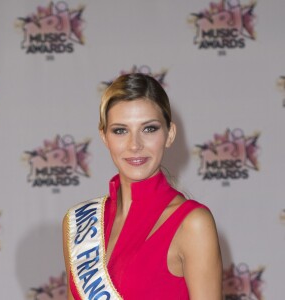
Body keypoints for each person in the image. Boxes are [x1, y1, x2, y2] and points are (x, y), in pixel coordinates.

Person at [62, 73, 223, 300]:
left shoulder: (192, 224)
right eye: (120, 130)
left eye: (149, 129)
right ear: (104, 137)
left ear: (169, 134)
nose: (134, 145)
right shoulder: (80, 222)